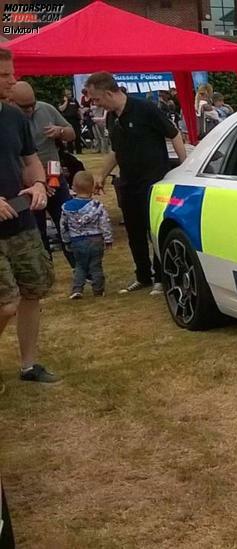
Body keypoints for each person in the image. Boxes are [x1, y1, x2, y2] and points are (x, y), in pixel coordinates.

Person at [86, 71, 187, 296]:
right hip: (128, 182)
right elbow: (116, 150)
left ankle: (161, 277)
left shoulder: (146, 109)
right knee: (134, 232)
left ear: (110, 93)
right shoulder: (113, 117)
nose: (95, 104)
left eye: (96, 98)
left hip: (152, 181)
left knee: (155, 231)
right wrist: (101, 174)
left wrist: (184, 168)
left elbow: (174, 134)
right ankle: (143, 276)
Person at [0, 48, 59, 384]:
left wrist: (38, 183)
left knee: (32, 291)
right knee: (5, 304)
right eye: (5, 75)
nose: (13, 80)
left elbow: (30, 160)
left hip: (21, 222)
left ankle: (29, 364)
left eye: (12, 73)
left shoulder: (14, 118)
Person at [9, 81, 76, 265]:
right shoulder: (9, 119)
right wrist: (37, 183)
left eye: (33, 104)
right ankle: (45, 268)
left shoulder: (46, 109)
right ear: (11, 102)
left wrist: (60, 131)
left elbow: (72, 133)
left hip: (53, 173)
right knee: (36, 228)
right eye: (25, 107)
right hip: (27, 183)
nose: (30, 110)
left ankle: (78, 267)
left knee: (65, 220)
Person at [60, 171, 112, 299]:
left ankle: (77, 289)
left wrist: (66, 240)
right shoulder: (98, 206)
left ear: (73, 188)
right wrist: (108, 238)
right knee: (96, 265)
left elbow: (63, 226)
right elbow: (105, 223)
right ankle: (98, 289)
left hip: (77, 241)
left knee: (80, 266)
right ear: (93, 187)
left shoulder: (66, 207)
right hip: (96, 240)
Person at [58, 89, 83, 154]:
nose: (70, 95)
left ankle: (79, 151)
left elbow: (79, 109)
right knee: (69, 137)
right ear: (65, 95)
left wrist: (81, 118)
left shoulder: (74, 100)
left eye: (70, 94)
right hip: (68, 120)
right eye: (68, 94)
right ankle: (70, 151)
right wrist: (66, 101)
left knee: (78, 136)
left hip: (76, 120)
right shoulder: (63, 101)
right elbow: (61, 109)